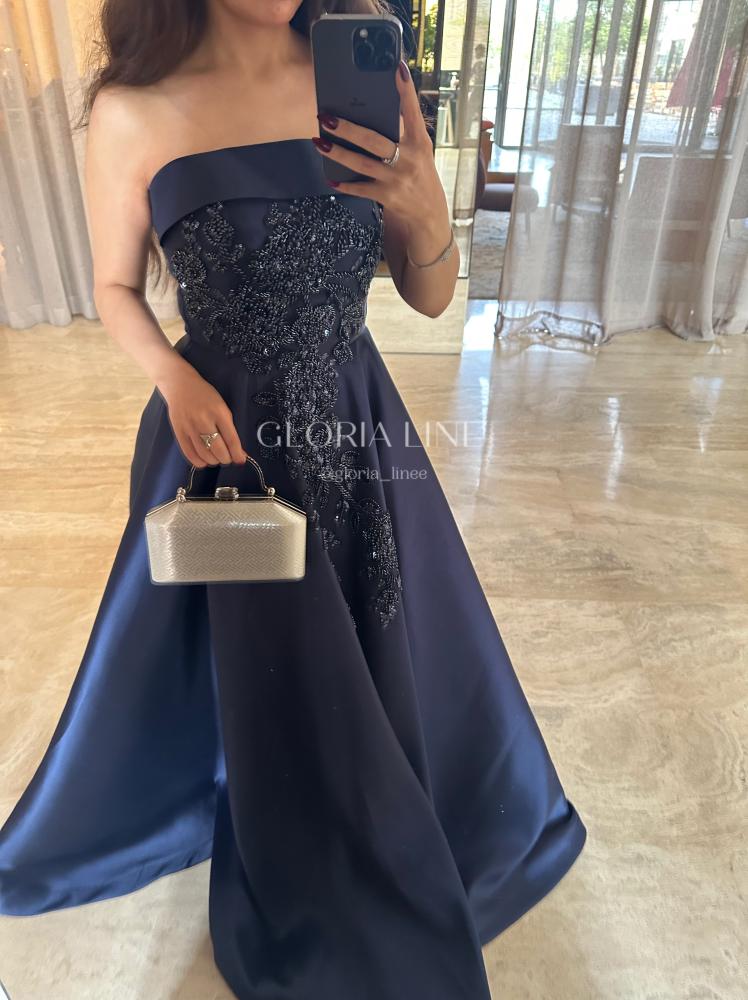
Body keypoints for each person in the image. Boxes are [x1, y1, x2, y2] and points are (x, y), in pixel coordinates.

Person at [0, 2, 587, 998]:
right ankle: (293, 848)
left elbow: (431, 295)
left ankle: (389, 825)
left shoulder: (363, 76)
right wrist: (173, 377)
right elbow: (113, 288)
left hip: (356, 423)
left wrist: (426, 207)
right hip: (224, 442)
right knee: (265, 656)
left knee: (376, 630)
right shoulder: (135, 109)